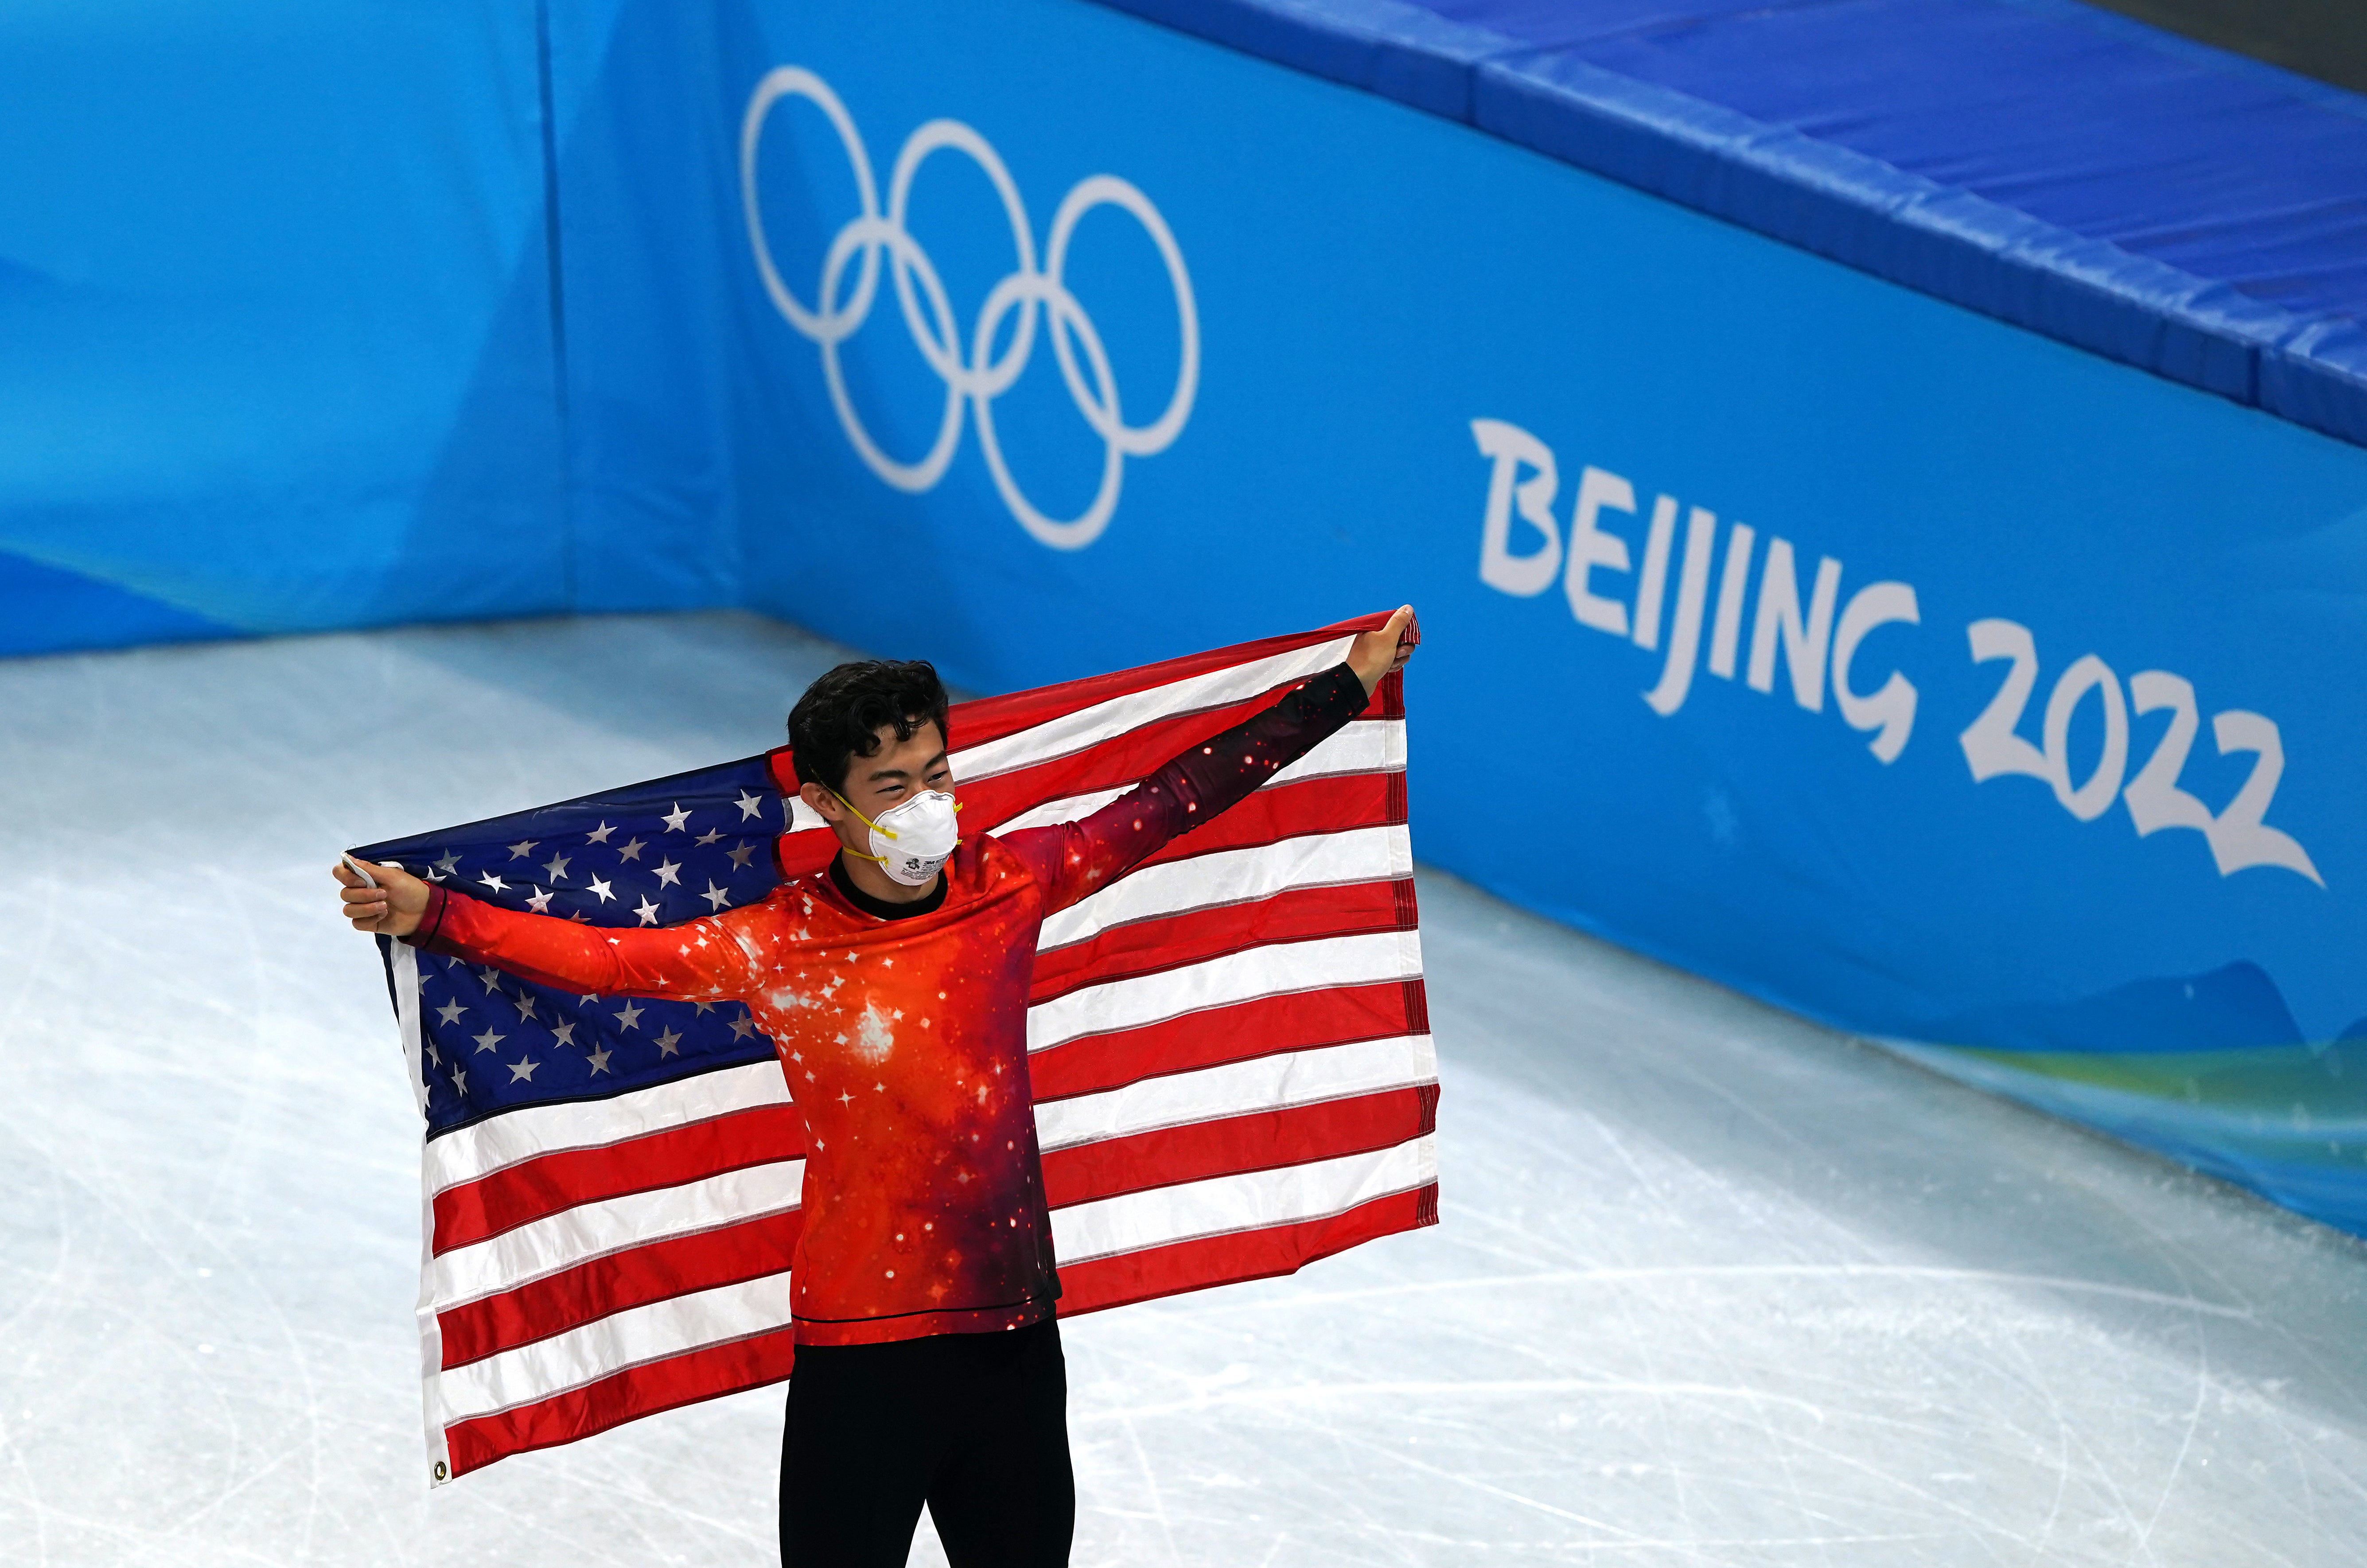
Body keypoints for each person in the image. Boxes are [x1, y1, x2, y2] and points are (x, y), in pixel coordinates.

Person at [335, 607, 1417, 1568]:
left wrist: (1342, 686)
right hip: (861, 1355)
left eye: (935, 776)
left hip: (1011, 1340)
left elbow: (1178, 799)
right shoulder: (775, 944)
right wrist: (433, 915)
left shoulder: (1010, 884)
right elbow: (608, 962)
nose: (924, 806)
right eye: (891, 787)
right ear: (825, 805)